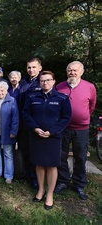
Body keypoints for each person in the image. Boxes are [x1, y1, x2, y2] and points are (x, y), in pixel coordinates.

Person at [23, 71, 72, 210]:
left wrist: (52, 131)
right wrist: (35, 128)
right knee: (39, 164)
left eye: (48, 80)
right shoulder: (32, 97)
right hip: (36, 135)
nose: (45, 83)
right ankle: (40, 190)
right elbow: (26, 113)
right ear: (39, 82)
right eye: (42, 80)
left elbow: (66, 117)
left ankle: (50, 194)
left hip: (53, 137)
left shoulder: (62, 98)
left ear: (54, 81)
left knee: (51, 165)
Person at [54, 61, 96, 200]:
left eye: (75, 70)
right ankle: (62, 181)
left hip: (82, 129)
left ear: (81, 72)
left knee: (80, 156)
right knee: (61, 155)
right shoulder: (59, 87)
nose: (72, 72)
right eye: (70, 70)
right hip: (63, 128)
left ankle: (78, 184)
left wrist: (81, 117)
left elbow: (91, 106)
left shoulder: (89, 87)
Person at [18, 57, 42, 189]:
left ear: (40, 68)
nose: (31, 70)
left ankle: (36, 179)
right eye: (29, 67)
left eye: (34, 67)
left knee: (35, 151)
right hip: (23, 122)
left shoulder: (43, 82)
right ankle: (28, 174)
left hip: (35, 123)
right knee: (25, 150)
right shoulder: (23, 82)